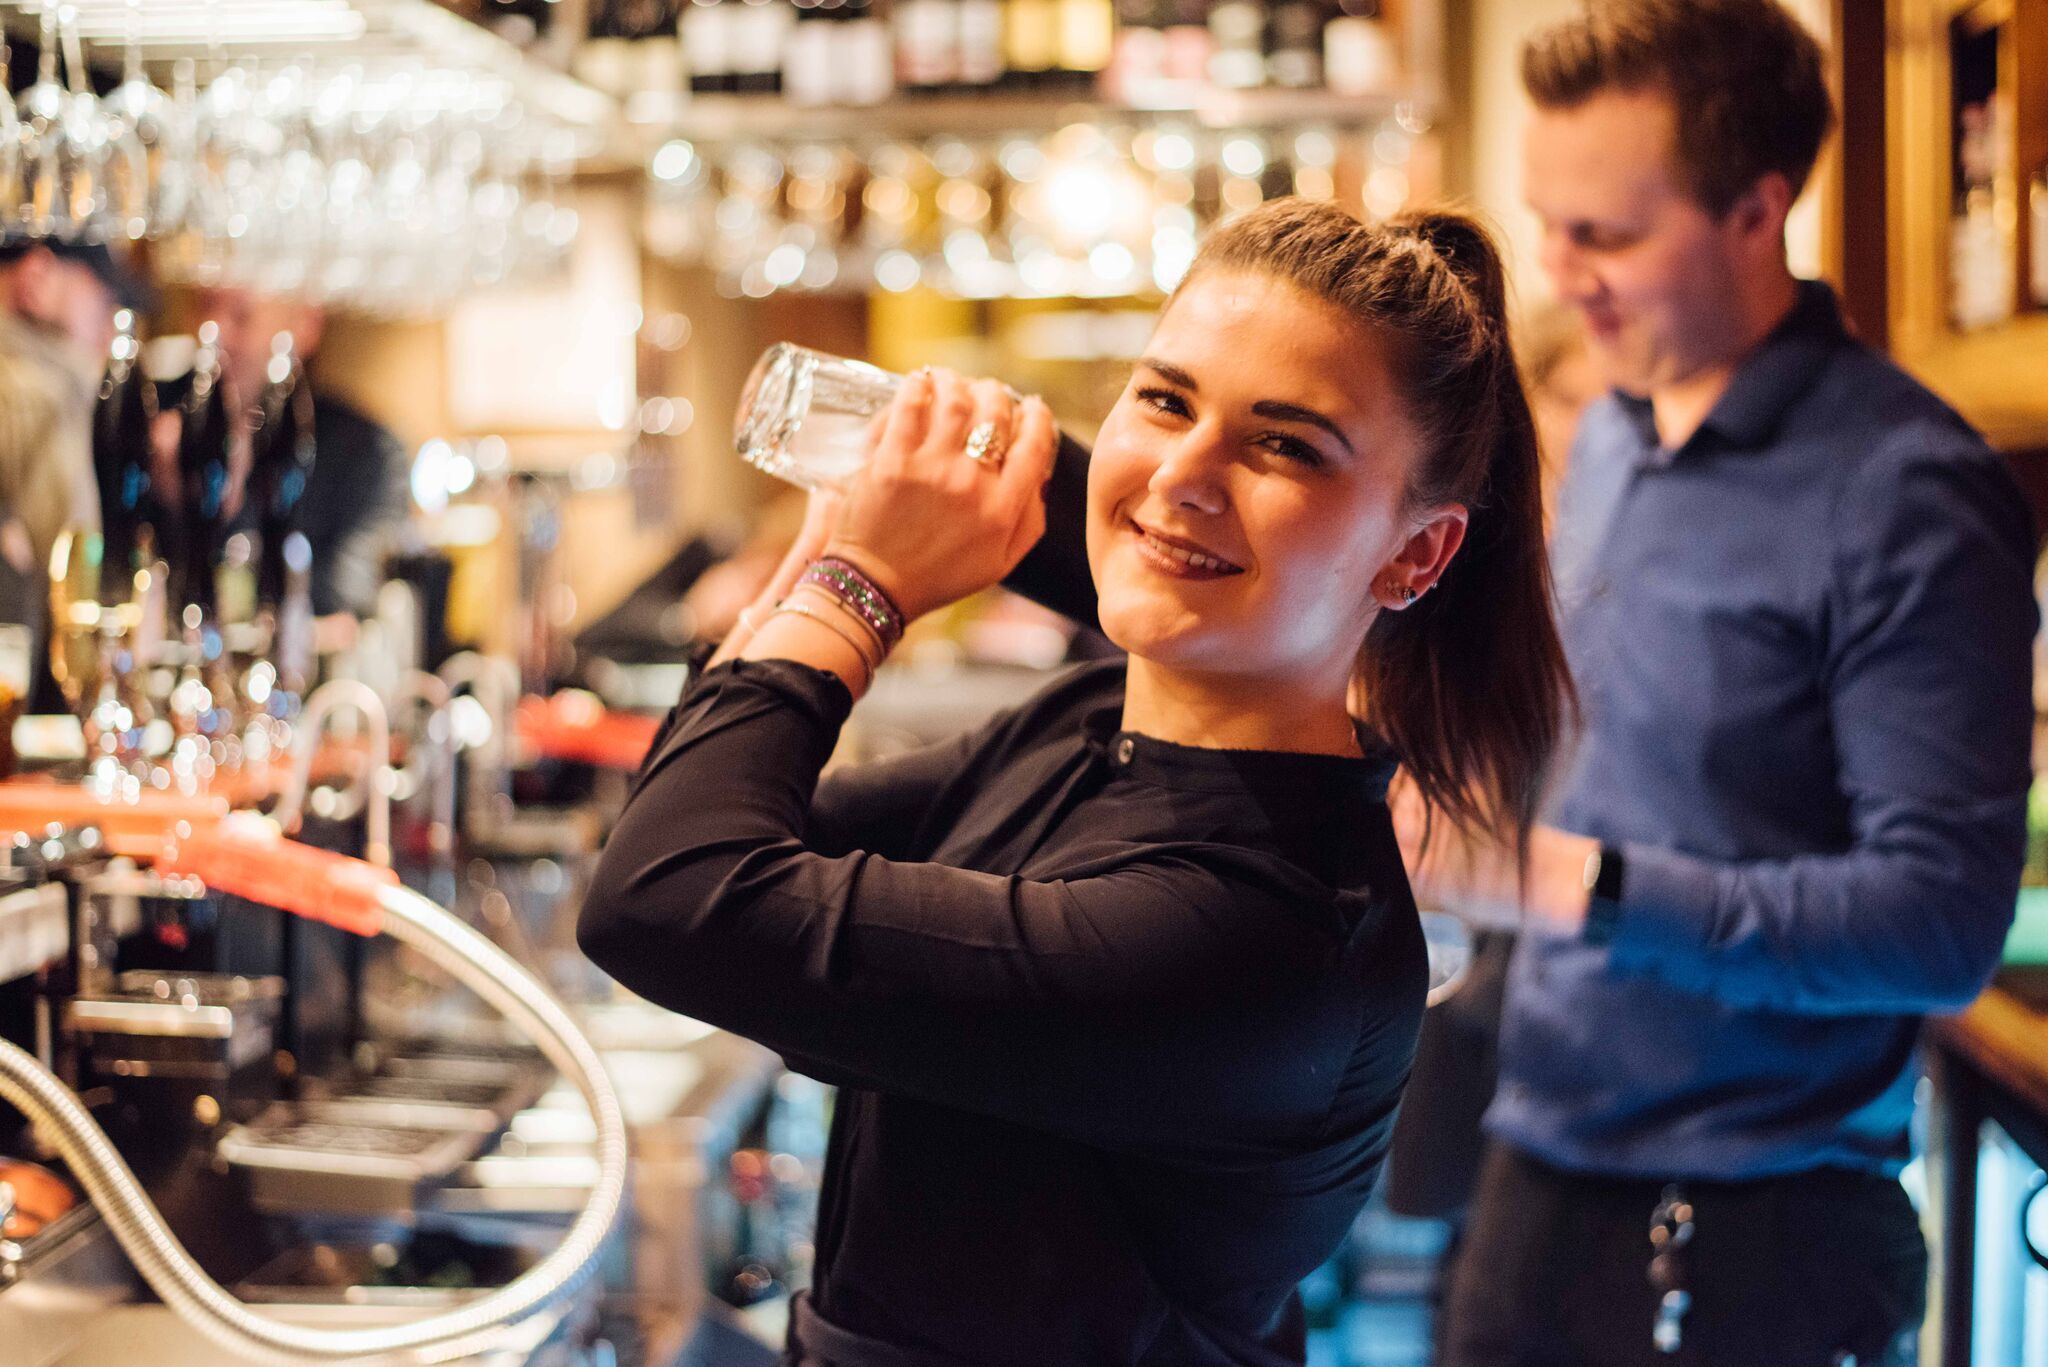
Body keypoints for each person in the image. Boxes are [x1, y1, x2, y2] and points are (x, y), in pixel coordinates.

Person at [578, 197, 1572, 1366]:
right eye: (1163, 398)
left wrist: (858, 583)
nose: (1184, 472)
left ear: (1416, 551)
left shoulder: (1262, 936)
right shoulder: (1084, 721)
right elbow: (693, 823)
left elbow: (667, 898)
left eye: (1284, 442)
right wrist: (837, 543)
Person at [1402, 3, 2037, 1364]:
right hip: (1539, 1163)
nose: (1562, 275)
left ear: (1763, 207)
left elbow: (1937, 925)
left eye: (1609, 236)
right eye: (1547, 225)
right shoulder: (1624, 426)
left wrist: (1555, 876)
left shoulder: (1909, 493)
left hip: (1750, 1238)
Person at [200, 286, 409, 620]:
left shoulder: (366, 451)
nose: (214, 333)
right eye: (205, 306)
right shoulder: (159, 424)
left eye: (242, 316)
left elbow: (343, 604)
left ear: (305, 325)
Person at [0, 234, 147, 586]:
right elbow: (68, 569)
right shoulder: (38, 390)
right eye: (103, 298)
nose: (111, 325)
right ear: (38, 275)